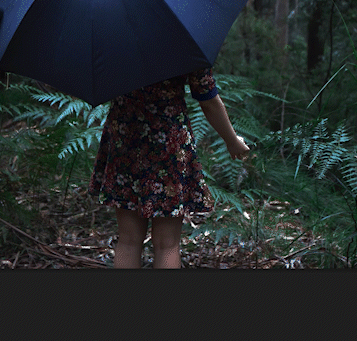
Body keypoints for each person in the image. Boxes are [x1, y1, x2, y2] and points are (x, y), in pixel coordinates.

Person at [88, 67, 249, 268]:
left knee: (128, 240)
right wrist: (232, 141)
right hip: (168, 145)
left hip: (125, 139)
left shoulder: (115, 47)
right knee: (167, 244)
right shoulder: (186, 48)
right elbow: (208, 100)